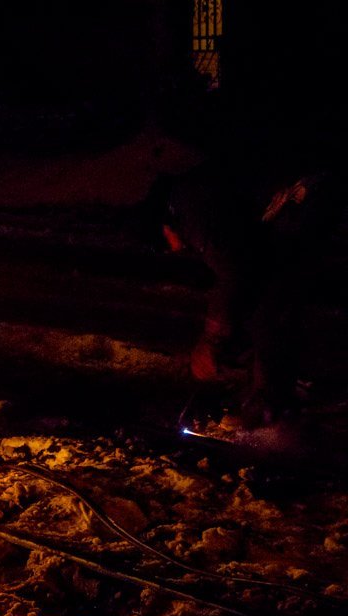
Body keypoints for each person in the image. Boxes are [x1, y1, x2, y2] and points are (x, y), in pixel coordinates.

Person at [144, 160, 342, 430]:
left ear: (164, 228)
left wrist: (210, 341)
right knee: (260, 301)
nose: (175, 251)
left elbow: (233, 272)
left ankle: (272, 411)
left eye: (164, 247)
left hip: (304, 197)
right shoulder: (191, 198)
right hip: (294, 205)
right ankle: (272, 392)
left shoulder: (191, 212)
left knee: (269, 309)